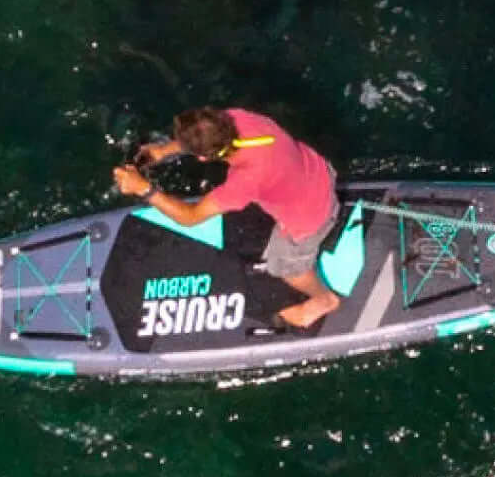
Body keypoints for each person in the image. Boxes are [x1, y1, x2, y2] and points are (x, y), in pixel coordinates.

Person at [113, 106, 341, 329]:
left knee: (288, 269)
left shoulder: (246, 181)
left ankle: (324, 300)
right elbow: (206, 134)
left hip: (310, 217)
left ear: (203, 158)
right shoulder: (236, 118)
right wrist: (163, 151)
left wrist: (144, 189)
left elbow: (190, 217)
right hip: (318, 172)